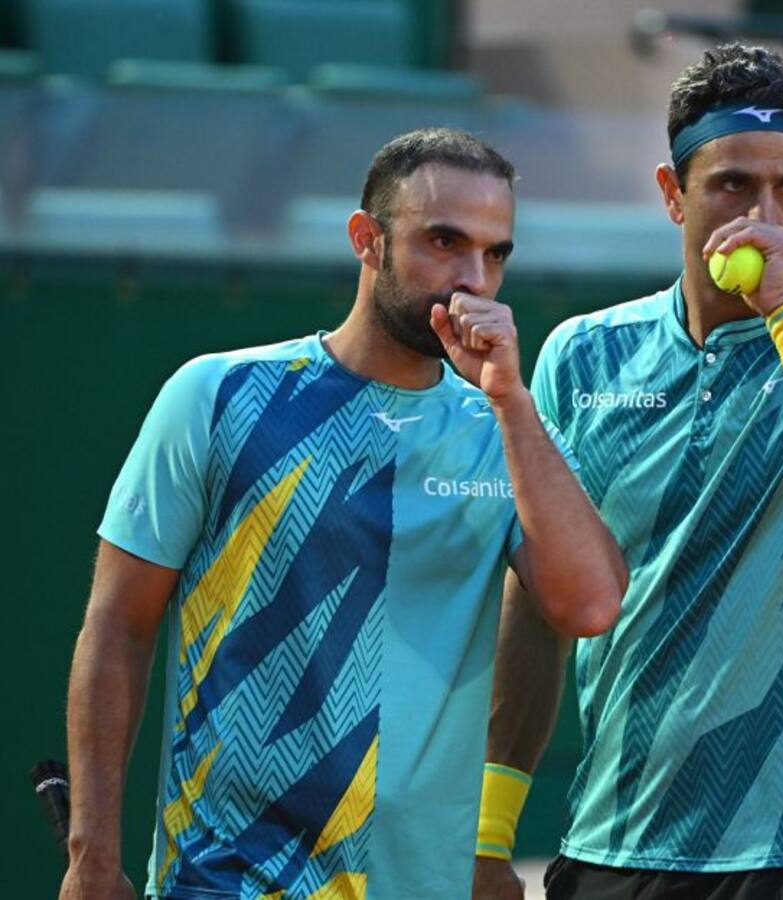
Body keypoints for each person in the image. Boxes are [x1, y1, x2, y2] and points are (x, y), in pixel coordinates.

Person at [58, 127, 627, 900]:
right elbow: (118, 626)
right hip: (225, 879)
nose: (471, 280)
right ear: (368, 240)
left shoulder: (504, 430)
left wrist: (511, 401)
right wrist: (91, 856)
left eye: (495, 254)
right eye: (442, 241)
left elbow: (587, 603)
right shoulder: (214, 395)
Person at [473, 44, 783, 900]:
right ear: (672, 194)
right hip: (613, 850)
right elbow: (536, 606)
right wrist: (489, 833)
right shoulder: (584, 356)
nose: (764, 216)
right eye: (733, 184)